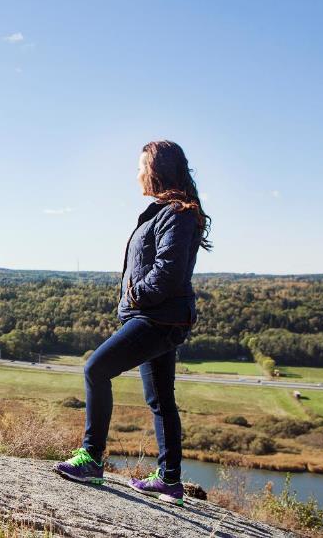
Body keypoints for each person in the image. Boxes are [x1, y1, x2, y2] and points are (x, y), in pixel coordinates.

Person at [54, 140, 212, 506]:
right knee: (160, 398)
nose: (137, 173)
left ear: (156, 169)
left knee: (96, 369)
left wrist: (135, 296)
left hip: (158, 317)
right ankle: (170, 480)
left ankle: (91, 459)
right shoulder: (165, 211)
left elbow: (167, 273)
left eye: (141, 166)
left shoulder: (177, 213)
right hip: (159, 317)